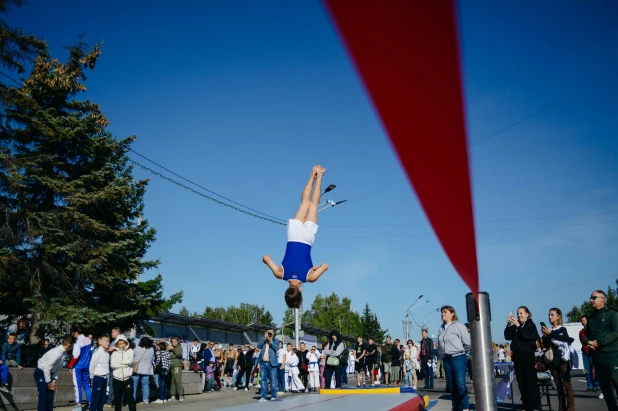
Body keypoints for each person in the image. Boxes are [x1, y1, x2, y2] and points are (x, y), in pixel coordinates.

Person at [262, 165, 329, 308]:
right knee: (304, 204)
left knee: (313, 205)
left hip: (306, 239)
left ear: (300, 292)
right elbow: (266, 257)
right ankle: (313, 174)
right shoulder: (280, 274)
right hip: (293, 237)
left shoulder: (309, 277)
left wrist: (315, 269)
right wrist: (267, 261)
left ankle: (320, 175)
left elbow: (326, 265)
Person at [584, 289, 618, 409]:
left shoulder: (612, 314)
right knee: (606, 391)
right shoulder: (592, 318)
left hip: (612, 356)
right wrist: (588, 342)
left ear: (602, 299)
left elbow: (615, 333)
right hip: (597, 358)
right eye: (591, 298)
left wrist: (599, 342)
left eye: (594, 298)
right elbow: (586, 334)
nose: (591, 300)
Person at [504, 306, 541, 411]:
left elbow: (527, 336)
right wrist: (508, 324)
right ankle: (525, 402)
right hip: (517, 355)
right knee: (521, 380)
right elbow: (507, 336)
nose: (519, 315)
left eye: (521, 313)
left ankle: (534, 404)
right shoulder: (515, 326)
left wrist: (518, 325)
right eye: (518, 313)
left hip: (527, 354)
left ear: (527, 314)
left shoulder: (530, 325)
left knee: (530, 380)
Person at [438, 305, 471, 411]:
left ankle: (465, 407)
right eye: (442, 312)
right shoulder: (441, 329)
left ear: (452, 314)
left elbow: (467, 343)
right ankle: (456, 407)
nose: (443, 314)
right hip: (446, 359)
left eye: (445, 312)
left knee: (460, 384)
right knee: (451, 385)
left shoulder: (459, 326)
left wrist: (460, 351)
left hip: (458, 358)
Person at [541, 308, 574, 411]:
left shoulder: (562, 329)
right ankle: (561, 408)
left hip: (563, 360)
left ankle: (570, 408)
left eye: (552, 315)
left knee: (567, 384)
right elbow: (546, 345)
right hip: (553, 360)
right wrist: (545, 336)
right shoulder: (549, 330)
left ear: (558, 316)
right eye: (549, 315)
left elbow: (566, 339)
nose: (550, 317)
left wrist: (551, 334)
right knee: (558, 385)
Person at [35, 335, 74, 411]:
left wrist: (53, 380)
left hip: (50, 374)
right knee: (43, 397)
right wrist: (49, 382)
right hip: (41, 372)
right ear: (69, 345)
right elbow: (46, 368)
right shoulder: (57, 353)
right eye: (73, 346)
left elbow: (56, 368)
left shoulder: (63, 353)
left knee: (50, 397)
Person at [67, 327, 92, 411]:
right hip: (86, 366)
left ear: (76, 332)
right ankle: (90, 404)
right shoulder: (88, 340)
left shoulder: (77, 342)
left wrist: (70, 365)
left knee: (77, 386)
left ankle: (79, 406)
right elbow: (90, 353)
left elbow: (76, 356)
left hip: (78, 366)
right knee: (87, 385)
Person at [110, 335, 135, 411]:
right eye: (120, 343)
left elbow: (130, 361)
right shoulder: (114, 353)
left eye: (123, 343)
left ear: (126, 343)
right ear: (117, 344)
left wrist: (120, 363)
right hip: (117, 379)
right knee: (117, 400)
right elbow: (113, 365)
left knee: (130, 399)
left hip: (127, 379)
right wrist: (125, 364)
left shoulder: (130, 351)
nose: (122, 345)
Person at [256, 328, 281, 402]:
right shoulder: (263, 340)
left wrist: (270, 341)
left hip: (272, 364)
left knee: (273, 381)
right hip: (264, 363)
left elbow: (276, 348)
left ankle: (273, 396)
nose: (269, 334)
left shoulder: (276, 341)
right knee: (263, 381)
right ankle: (263, 396)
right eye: (268, 332)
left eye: (271, 332)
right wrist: (265, 338)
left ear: (273, 334)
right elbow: (258, 346)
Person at [579, 315, 601, 392]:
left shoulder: (592, 330)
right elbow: (582, 341)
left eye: (584, 320)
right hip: (585, 352)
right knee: (587, 370)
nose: (583, 322)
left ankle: (597, 385)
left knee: (596, 369)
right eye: (582, 320)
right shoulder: (581, 332)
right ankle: (590, 386)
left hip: (592, 351)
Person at [90, 336, 111, 411]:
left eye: (108, 341)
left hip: (105, 377)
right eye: (106, 341)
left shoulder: (107, 353)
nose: (108, 343)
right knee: (95, 398)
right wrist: (92, 377)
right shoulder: (97, 353)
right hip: (98, 377)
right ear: (100, 342)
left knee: (102, 398)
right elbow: (92, 365)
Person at [132, 336, 155, 405]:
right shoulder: (151, 349)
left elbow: (133, 357)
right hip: (147, 369)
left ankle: (133, 399)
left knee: (134, 384)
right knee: (145, 385)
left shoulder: (136, 348)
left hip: (137, 369)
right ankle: (146, 399)